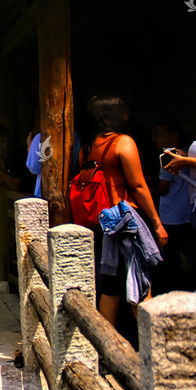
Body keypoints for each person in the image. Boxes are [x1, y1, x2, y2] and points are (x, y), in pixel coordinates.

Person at [81, 94, 167, 328]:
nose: (127, 112)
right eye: (122, 109)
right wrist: (157, 223)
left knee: (110, 286)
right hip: (125, 221)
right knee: (139, 280)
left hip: (100, 221)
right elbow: (138, 186)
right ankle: (151, 346)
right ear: (111, 114)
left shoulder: (87, 146)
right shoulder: (123, 142)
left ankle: (107, 349)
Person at [150, 121, 196, 294]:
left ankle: (172, 290)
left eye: (160, 134)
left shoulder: (168, 156)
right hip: (187, 212)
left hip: (171, 215)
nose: (156, 140)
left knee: (170, 257)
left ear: (174, 135)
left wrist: (147, 189)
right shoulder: (188, 152)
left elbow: (163, 187)